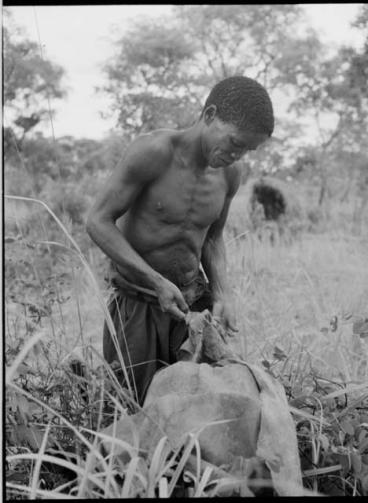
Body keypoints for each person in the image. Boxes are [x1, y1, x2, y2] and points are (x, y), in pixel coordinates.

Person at [86, 76, 274, 405]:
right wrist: (154, 281)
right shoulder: (153, 152)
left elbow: (213, 239)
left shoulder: (230, 175)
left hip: (193, 304)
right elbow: (98, 221)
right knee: (133, 407)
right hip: (139, 303)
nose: (237, 154)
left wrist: (223, 294)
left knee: (205, 405)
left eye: (247, 149)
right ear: (209, 114)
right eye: (234, 141)